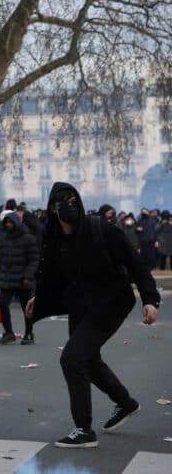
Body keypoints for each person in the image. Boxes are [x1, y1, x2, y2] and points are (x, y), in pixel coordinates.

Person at [28, 182, 160, 448]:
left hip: (111, 302)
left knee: (72, 359)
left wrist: (150, 300)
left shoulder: (100, 228)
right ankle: (126, 404)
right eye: (62, 201)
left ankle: (84, 430)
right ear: (53, 209)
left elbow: (134, 262)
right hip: (81, 303)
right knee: (87, 360)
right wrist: (38, 297)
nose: (68, 205)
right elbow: (50, 273)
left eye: (71, 199)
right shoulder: (54, 237)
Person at [0, 211, 38, 345]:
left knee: (27, 308)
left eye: (10, 222)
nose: (8, 225)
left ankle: (29, 332)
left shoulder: (28, 238)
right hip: (7, 278)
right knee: (3, 304)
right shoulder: (3, 238)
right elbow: (0, 258)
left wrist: (28, 276)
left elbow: (34, 260)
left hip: (22, 279)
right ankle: (8, 332)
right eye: (6, 222)